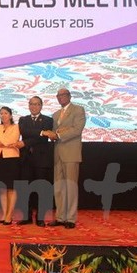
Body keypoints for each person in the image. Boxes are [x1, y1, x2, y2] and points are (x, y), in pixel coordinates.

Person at [45, 88, 86, 229]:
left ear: (69, 96)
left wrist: (58, 134)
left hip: (71, 153)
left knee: (71, 187)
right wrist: (54, 134)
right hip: (57, 154)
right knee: (59, 187)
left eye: (63, 95)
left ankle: (70, 218)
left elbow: (77, 130)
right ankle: (60, 217)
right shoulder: (56, 114)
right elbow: (54, 133)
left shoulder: (78, 110)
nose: (61, 97)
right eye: (58, 96)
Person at [18, 96, 53, 227]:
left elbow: (42, 140)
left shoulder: (48, 120)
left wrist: (25, 142)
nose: (34, 106)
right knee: (24, 190)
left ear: (41, 106)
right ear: (28, 105)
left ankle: (40, 218)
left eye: (37, 104)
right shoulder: (23, 120)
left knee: (41, 189)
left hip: (42, 160)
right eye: (32, 104)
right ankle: (26, 217)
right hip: (25, 159)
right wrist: (42, 132)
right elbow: (24, 131)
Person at [0, 106, 21, 225]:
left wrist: (2, 142)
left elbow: (13, 141)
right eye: (1, 113)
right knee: (2, 188)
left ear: (11, 115)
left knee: (11, 188)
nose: (3, 115)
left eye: (6, 113)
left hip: (12, 159)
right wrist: (2, 143)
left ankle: (9, 215)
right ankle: (4, 214)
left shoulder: (16, 127)